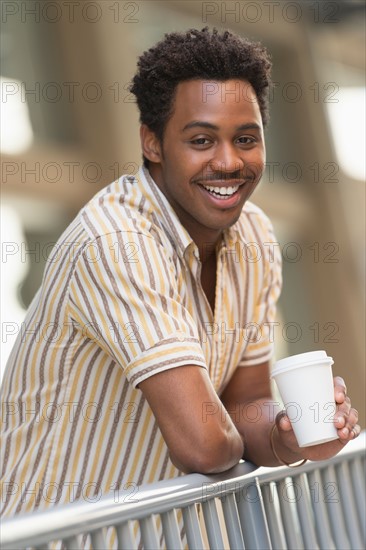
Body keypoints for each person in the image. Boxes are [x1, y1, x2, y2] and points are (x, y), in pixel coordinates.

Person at [0, 27, 360, 522]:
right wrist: (247, 438)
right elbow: (205, 445)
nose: (229, 161)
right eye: (201, 140)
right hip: (54, 536)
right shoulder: (117, 242)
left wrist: (287, 432)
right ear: (152, 142)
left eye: (246, 139)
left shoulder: (254, 236)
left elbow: (245, 402)